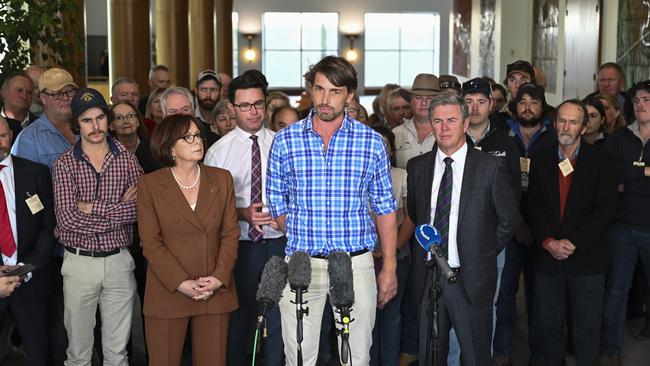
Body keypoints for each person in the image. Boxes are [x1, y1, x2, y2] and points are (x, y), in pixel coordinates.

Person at [266, 56, 398, 366]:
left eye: (335, 91)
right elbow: (277, 202)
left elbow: (385, 208)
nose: (325, 100)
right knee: (298, 357)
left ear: (350, 95)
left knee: (356, 357)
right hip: (301, 265)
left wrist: (389, 266)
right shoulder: (286, 141)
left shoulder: (371, 143)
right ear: (310, 90)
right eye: (319, 89)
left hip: (355, 264)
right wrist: (303, 233)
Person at [406, 94, 520, 365]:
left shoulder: (490, 167)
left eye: (451, 120)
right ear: (431, 125)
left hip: (470, 277)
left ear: (465, 123)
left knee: (475, 355)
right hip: (428, 278)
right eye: (438, 121)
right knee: (430, 357)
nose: (444, 128)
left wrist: (482, 251)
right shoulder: (417, 167)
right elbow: (416, 214)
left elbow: (509, 218)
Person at [137, 114, 239, 366]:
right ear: (170, 147)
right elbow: (150, 243)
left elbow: (230, 233)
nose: (198, 141)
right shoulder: (150, 184)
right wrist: (180, 282)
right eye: (188, 137)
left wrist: (218, 277)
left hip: (212, 288)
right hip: (168, 289)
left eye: (198, 135)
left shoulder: (222, 178)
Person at [52, 88, 143, 365]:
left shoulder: (127, 159)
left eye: (100, 118)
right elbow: (67, 220)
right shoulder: (64, 165)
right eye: (86, 120)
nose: (95, 126)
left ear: (108, 120)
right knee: (78, 353)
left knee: (117, 353)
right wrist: (118, 212)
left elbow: (140, 210)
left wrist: (93, 207)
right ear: (76, 125)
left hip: (118, 261)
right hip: (79, 262)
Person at [204, 71, 286, 366]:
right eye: (245, 105)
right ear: (231, 108)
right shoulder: (218, 152)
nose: (253, 112)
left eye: (259, 104)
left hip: (279, 244)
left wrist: (284, 216)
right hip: (239, 247)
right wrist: (242, 212)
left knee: (278, 317)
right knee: (240, 319)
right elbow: (208, 209)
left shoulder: (283, 145)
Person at [527, 99, 617, 366]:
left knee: (587, 329)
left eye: (573, 121)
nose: (566, 126)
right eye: (561, 120)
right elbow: (533, 205)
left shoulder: (601, 160)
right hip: (548, 258)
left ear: (584, 126)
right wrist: (548, 241)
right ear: (554, 122)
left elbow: (605, 210)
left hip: (586, 259)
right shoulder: (541, 159)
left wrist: (573, 242)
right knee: (550, 326)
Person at [493, 82, 556, 366]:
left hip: (544, 226)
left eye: (534, 101)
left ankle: (538, 355)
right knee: (504, 294)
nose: (528, 107)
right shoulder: (501, 136)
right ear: (514, 107)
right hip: (508, 225)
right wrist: (515, 222)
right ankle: (502, 353)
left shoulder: (554, 137)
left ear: (543, 107)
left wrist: (536, 225)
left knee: (539, 296)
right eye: (522, 102)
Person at [601, 80, 650, 366]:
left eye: (646, 99)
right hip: (621, 226)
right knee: (616, 290)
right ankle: (611, 350)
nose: (640, 105)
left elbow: (622, 177)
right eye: (636, 100)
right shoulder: (619, 138)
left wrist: (628, 176)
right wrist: (644, 174)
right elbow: (609, 177)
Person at [0, 115, 56, 366]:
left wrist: (27, 268)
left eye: (1, 136)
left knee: (39, 354)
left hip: (32, 281)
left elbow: (48, 227)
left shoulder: (36, 173)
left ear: (11, 136)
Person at [369, 125, 414, 366]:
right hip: (364, 255)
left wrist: (392, 248)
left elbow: (410, 217)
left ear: (390, 149)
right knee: (367, 314)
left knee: (392, 313)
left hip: (397, 252)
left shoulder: (401, 175)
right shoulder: (357, 173)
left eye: (384, 144)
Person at [11, 68, 78, 168]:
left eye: (70, 91)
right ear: (43, 98)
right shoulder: (30, 138)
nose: (66, 98)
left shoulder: (88, 126)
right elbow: (27, 181)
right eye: (58, 94)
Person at [393, 74, 440, 168]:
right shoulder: (395, 134)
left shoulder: (448, 133)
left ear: (439, 101)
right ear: (410, 101)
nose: (423, 103)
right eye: (418, 98)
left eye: (429, 98)